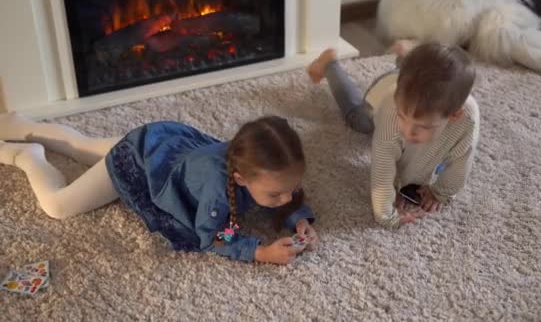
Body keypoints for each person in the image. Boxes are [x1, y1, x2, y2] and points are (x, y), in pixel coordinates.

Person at [0, 113, 318, 264]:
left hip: (160, 141)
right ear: (240, 179)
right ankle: (27, 156)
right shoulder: (218, 192)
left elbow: (285, 192)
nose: (285, 198)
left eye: (290, 189)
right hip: (138, 163)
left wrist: (299, 219)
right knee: (57, 205)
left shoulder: (252, 164)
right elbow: (215, 237)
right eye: (275, 195)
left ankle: (21, 125)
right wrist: (260, 252)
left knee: (83, 148)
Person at [307, 42, 480, 227]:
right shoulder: (391, 109)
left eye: (423, 126)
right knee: (360, 121)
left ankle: (405, 57)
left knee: (416, 85)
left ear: (455, 115)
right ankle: (329, 64)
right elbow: (383, 164)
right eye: (403, 117)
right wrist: (386, 213)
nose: (408, 131)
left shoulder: (467, 118)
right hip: (386, 90)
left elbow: (462, 160)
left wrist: (441, 192)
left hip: (412, 83)